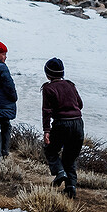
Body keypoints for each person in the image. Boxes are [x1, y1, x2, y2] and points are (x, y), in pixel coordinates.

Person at [42, 57, 83, 198]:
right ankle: (71, 188)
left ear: (48, 74)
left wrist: (46, 131)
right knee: (70, 157)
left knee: (51, 150)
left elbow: (46, 111)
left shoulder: (48, 88)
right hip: (78, 123)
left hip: (61, 124)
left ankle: (59, 172)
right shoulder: (70, 85)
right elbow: (80, 104)